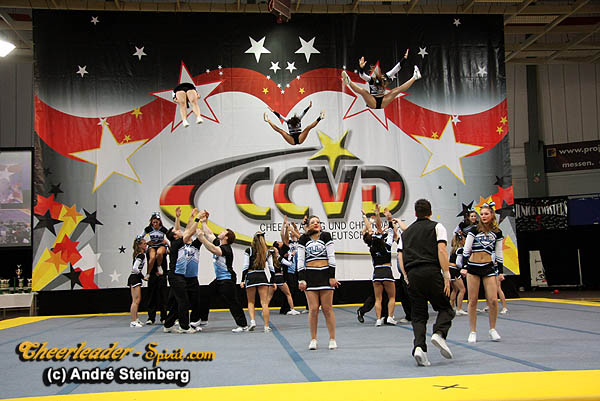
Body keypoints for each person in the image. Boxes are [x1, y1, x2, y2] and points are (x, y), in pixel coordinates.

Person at [398, 199, 455, 366]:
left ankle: (419, 348)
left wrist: (406, 275)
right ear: (430, 212)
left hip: (413, 275)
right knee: (446, 309)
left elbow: (400, 256)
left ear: (415, 213)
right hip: (431, 272)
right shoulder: (437, 227)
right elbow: (442, 250)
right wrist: (446, 275)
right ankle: (439, 333)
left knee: (418, 316)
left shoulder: (405, 234)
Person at [196, 211, 249, 332]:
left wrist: (201, 238)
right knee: (205, 295)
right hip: (219, 279)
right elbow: (209, 234)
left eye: (223, 232)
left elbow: (214, 250)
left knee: (232, 302)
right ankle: (203, 319)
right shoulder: (219, 243)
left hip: (227, 279)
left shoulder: (226, 249)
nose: (220, 232)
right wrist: (203, 222)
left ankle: (243, 325)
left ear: (226, 237)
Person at [460, 202, 504, 343]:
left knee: (493, 300)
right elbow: (466, 249)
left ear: (492, 215)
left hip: (488, 267)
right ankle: (473, 331)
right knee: (473, 300)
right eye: (482, 214)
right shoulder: (474, 230)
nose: (484, 216)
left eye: (486, 214)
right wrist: (464, 266)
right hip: (473, 267)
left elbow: (499, 252)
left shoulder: (497, 232)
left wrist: (500, 271)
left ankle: (492, 329)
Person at [297, 215, 340, 350]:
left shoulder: (326, 236)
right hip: (310, 276)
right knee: (313, 309)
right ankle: (313, 339)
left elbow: (331, 257)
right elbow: (300, 260)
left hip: (325, 275)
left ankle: (332, 338)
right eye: (313, 222)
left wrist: (332, 276)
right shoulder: (303, 239)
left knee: (327, 309)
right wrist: (301, 279)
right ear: (308, 226)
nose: (316, 224)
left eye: (318, 222)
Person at [162, 209, 203, 334]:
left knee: (176, 302)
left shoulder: (178, 242)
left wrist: (187, 217)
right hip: (176, 276)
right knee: (183, 302)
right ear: (175, 236)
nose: (179, 230)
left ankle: (168, 325)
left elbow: (187, 230)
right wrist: (197, 218)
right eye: (177, 231)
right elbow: (190, 232)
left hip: (179, 276)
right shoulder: (176, 243)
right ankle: (184, 326)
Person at [341, 49, 421, 110]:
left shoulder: (385, 77)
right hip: (373, 101)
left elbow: (396, 68)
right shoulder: (371, 79)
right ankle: (349, 81)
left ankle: (415, 77)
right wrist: (361, 68)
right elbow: (362, 75)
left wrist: (404, 58)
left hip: (383, 101)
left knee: (396, 90)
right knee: (364, 92)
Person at [360, 205, 397, 326]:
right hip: (387, 271)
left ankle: (378, 319)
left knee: (378, 299)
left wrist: (365, 216)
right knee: (392, 297)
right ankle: (390, 317)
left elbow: (371, 228)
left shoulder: (371, 246)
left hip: (376, 273)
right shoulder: (387, 245)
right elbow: (387, 229)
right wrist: (389, 219)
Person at [241, 231, 276, 332]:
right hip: (262, 276)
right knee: (264, 303)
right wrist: (273, 281)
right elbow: (271, 268)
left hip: (251, 276)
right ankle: (266, 326)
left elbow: (245, 266)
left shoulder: (249, 250)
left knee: (251, 302)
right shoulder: (267, 252)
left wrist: (242, 280)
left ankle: (252, 321)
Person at [268, 246, 301, 315]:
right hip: (280, 277)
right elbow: (289, 264)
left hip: (273, 278)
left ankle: (264, 309)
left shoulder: (269, 258)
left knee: (269, 296)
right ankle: (292, 309)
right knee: (288, 294)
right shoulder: (279, 258)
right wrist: (291, 256)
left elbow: (270, 268)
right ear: (276, 252)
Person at [140, 213, 168, 283]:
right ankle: (148, 273)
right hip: (152, 246)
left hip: (161, 245)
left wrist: (166, 242)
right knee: (152, 257)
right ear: (151, 222)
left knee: (159, 253)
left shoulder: (163, 229)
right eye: (154, 222)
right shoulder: (148, 229)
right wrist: (146, 243)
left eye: (156, 222)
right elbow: (140, 237)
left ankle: (159, 266)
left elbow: (170, 236)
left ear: (159, 222)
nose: (155, 224)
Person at [127, 236, 147, 328]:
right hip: (135, 278)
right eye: (144, 244)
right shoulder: (141, 255)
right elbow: (135, 268)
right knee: (136, 300)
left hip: (135, 278)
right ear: (139, 246)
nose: (146, 245)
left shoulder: (140, 254)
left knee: (136, 300)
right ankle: (133, 321)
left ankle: (136, 318)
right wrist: (142, 277)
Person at [449, 233, 468, 316]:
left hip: (450, 270)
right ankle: (459, 309)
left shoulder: (453, 249)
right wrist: (463, 268)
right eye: (465, 239)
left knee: (455, 290)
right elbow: (458, 263)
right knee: (462, 290)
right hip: (454, 271)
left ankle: (451, 307)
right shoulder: (460, 250)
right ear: (461, 241)